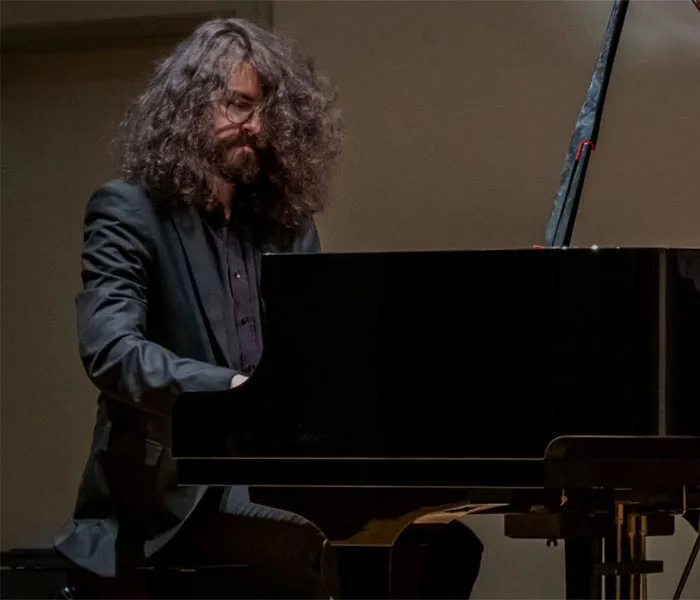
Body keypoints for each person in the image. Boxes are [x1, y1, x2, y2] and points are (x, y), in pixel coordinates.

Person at [54, 17, 343, 599]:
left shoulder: (287, 225)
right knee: (322, 544)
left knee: (438, 544)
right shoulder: (129, 210)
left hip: (271, 475)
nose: (256, 127)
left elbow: (315, 356)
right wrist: (232, 388)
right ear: (190, 106)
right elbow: (111, 351)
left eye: (265, 111)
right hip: (174, 494)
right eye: (239, 106)